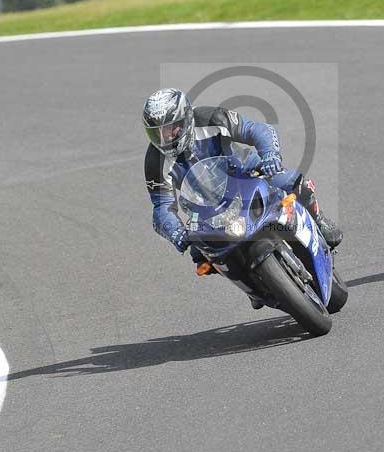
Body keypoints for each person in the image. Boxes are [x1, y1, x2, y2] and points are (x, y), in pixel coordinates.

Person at [143, 88, 342, 305]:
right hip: (206, 206)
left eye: (171, 129)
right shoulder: (155, 161)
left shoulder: (211, 118)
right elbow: (162, 207)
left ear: (186, 117)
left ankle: (319, 220)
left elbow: (255, 129)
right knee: (200, 256)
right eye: (158, 133)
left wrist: (270, 154)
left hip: (246, 173)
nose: (166, 138)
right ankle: (252, 285)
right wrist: (175, 232)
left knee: (293, 183)